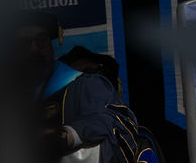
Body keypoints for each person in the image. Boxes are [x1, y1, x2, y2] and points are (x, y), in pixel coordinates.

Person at [11, 10, 141, 163]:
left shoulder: (83, 85)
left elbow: (112, 122)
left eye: (41, 40)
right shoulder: (7, 97)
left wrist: (66, 136)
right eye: (24, 43)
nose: (34, 49)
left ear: (50, 45)